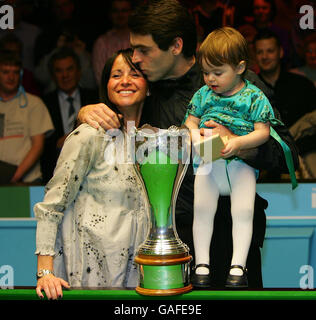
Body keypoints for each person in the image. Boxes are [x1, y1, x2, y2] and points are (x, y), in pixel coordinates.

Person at [77, 0, 299, 288]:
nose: (136, 59)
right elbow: (112, 127)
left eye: (143, 50)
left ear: (176, 46)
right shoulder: (143, 88)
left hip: (230, 241)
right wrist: (86, 114)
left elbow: (287, 154)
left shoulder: (240, 82)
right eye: (133, 49)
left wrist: (236, 144)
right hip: (163, 244)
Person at [184, 27, 295, 288]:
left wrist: (237, 143)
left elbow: (263, 133)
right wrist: (196, 138)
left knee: (243, 211)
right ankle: (201, 265)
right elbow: (189, 122)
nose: (210, 78)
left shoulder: (254, 96)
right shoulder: (202, 94)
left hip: (240, 163)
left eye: (218, 72)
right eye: (205, 71)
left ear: (240, 67)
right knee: (201, 210)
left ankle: (238, 266)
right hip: (209, 159)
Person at [34, 48, 149, 300]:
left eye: (135, 73)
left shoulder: (152, 142)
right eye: (116, 75)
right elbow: (52, 205)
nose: (125, 81)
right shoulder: (88, 135)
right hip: (88, 279)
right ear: (106, 86)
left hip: (136, 280)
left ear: (149, 86)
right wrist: (45, 272)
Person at [41, 48, 98, 183]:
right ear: (52, 75)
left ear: (79, 72)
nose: (65, 75)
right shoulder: (44, 103)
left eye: (69, 69)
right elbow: (41, 145)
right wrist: (57, 144)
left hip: (91, 171)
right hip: (54, 173)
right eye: (59, 71)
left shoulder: (95, 98)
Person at [0, 51, 53, 184]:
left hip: (27, 180)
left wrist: (13, 177)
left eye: (15, 72)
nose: (11, 77)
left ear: (21, 75)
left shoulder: (34, 103)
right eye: (5, 72)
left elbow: (38, 146)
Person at [254, 29, 316, 129]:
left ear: (281, 52)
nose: (264, 56)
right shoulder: (250, 90)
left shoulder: (302, 85)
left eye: (270, 51)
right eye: (260, 52)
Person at [92, 0, 133, 85]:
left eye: (124, 11)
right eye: (115, 11)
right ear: (110, 14)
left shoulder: (141, 40)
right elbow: (100, 80)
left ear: (131, 13)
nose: (120, 15)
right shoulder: (102, 43)